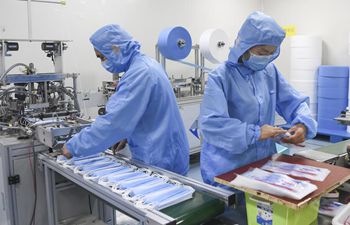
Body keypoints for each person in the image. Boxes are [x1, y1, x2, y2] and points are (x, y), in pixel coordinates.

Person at [199, 11, 317, 186]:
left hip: (262, 166)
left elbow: (295, 102)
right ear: (245, 46)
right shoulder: (221, 76)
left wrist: (302, 124)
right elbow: (212, 124)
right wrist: (255, 133)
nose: (266, 58)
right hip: (226, 168)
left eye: (271, 53)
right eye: (262, 52)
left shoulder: (269, 71)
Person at [62, 24, 189, 175]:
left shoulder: (139, 73)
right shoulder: (147, 64)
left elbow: (113, 122)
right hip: (168, 148)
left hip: (160, 156)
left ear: (116, 49)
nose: (103, 62)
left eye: (102, 57)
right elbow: (146, 112)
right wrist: (127, 136)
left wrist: (73, 146)